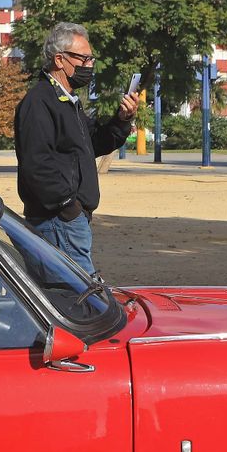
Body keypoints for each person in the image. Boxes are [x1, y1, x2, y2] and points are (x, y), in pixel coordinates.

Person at [13, 22, 137, 276]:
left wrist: (122, 120)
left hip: (70, 221)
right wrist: (69, 208)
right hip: (58, 222)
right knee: (83, 300)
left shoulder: (68, 102)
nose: (90, 65)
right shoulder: (39, 102)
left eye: (91, 59)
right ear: (60, 59)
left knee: (68, 298)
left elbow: (95, 143)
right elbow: (37, 166)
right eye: (84, 58)